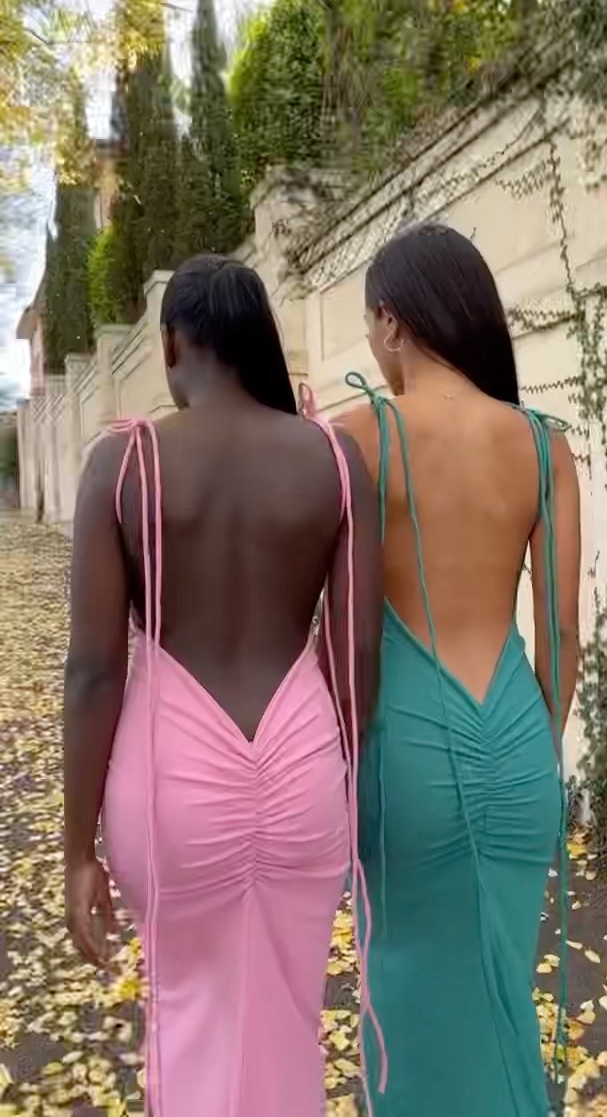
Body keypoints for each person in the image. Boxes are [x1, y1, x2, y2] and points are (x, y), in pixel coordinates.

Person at [63, 254, 383, 1117]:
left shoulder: (123, 464)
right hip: (302, 767)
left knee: (190, 1011)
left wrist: (77, 848)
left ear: (172, 345)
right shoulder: (334, 459)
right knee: (286, 1017)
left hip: (171, 785)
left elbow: (94, 670)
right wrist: (339, 775)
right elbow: (356, 647)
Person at [338, 223, 581, 1117]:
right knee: (502, 993)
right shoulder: (544, 445)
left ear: (393, 321)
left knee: (408, 1007)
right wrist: (534, 750)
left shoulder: (356, 437)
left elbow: (336, 625)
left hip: (405, 749)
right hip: (518, 744)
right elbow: (561, 632)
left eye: (370, 326)